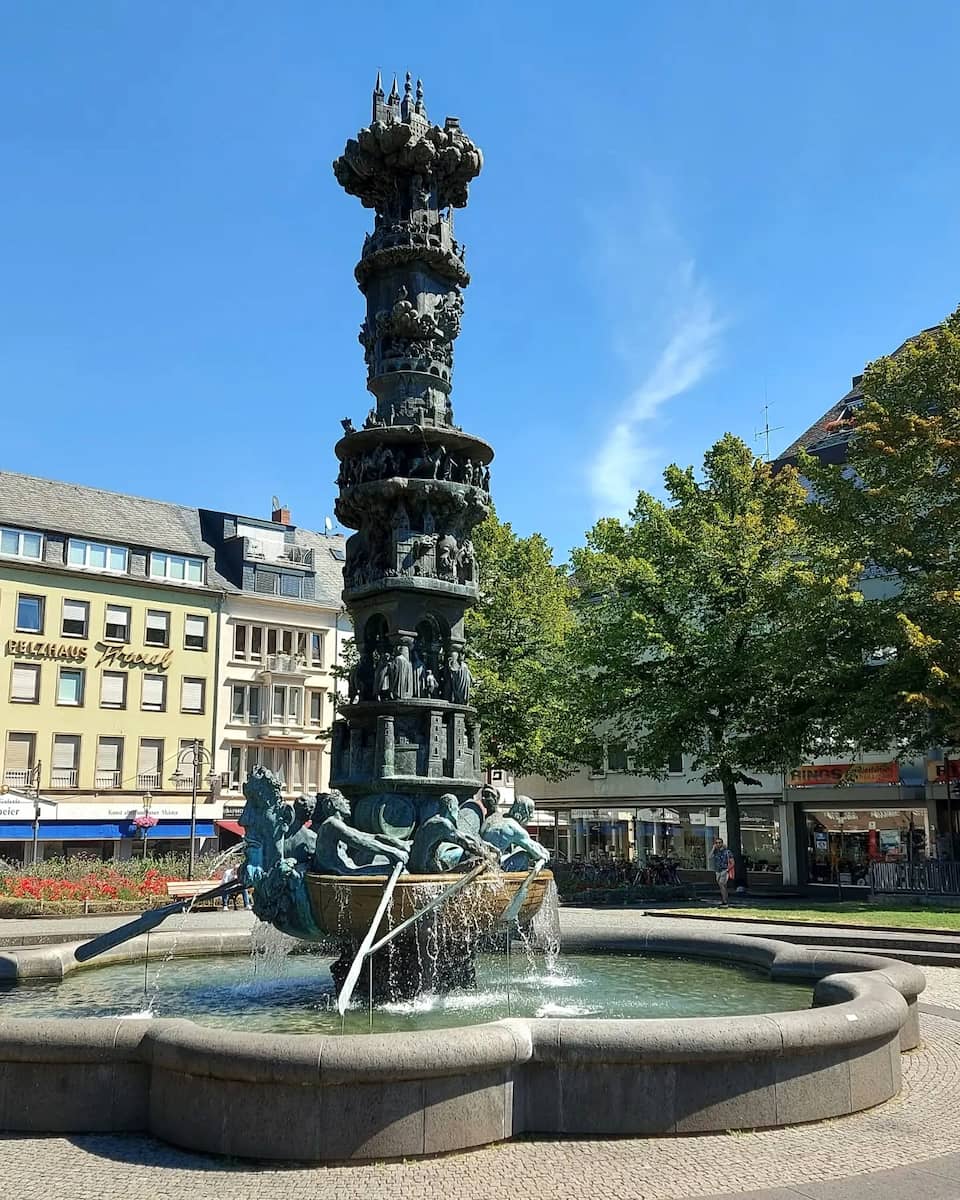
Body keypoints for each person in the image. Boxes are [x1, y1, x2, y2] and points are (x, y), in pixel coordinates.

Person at [711, 837, 733, 906]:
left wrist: (727, 870)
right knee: (723, 886)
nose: (718, 844)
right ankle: (725, 899)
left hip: (724, 870)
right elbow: (709, 857)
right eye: (716, 843)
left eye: (719, 843)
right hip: (717, 871)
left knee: (721, 884)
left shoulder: (727, 852)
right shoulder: (715, 851)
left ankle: (724, 901)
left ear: (722, 843)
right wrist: (713, 848)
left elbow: (732, 862)